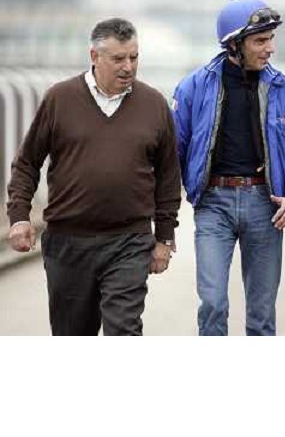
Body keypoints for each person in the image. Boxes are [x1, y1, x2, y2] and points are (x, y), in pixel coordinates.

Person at [7, 18, 181, 336]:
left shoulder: (154, 104)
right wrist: (19, 216)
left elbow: (169, 175)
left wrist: (165, 237)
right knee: (73, 335)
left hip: (130, 241)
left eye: (134, 57)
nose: (128, 66)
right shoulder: (59, 99)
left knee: (124, 331)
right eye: (118, 58)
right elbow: (27, 162)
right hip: (68, 242)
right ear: (94, 57)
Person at [172, 0, 285, 336]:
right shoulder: (193, 87)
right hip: (213, 206)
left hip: (265, 207)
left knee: (262, 314)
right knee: (212, 305)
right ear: (234, 44)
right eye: (260, 41)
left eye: (271, 39)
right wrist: (165, 216)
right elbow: (173, 151)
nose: (270, 48)